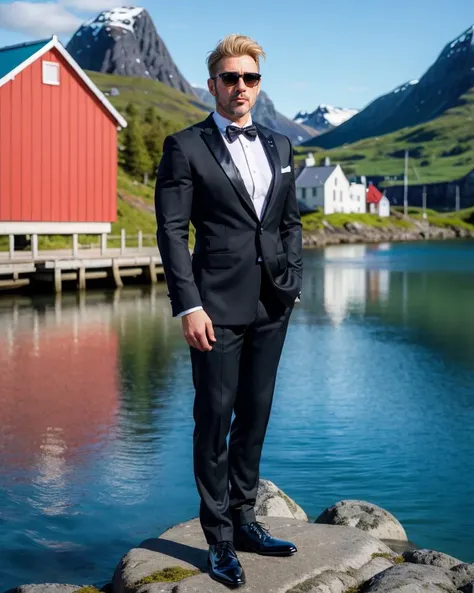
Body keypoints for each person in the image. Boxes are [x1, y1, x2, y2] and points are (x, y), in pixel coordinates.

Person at [154, 33, 303, 587]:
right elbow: (172, 231)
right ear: (213, 84)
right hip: (213, 308)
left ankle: (245, 521)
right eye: (231, 78)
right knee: (214, 419)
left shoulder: (281, 146)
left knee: (255, 417)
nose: (241, 87)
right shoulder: (185, 145)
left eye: (251, 78)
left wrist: (293, 283)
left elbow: (289, 223)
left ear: (259, 85)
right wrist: (188, 305)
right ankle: (217, 541)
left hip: (272, 303)